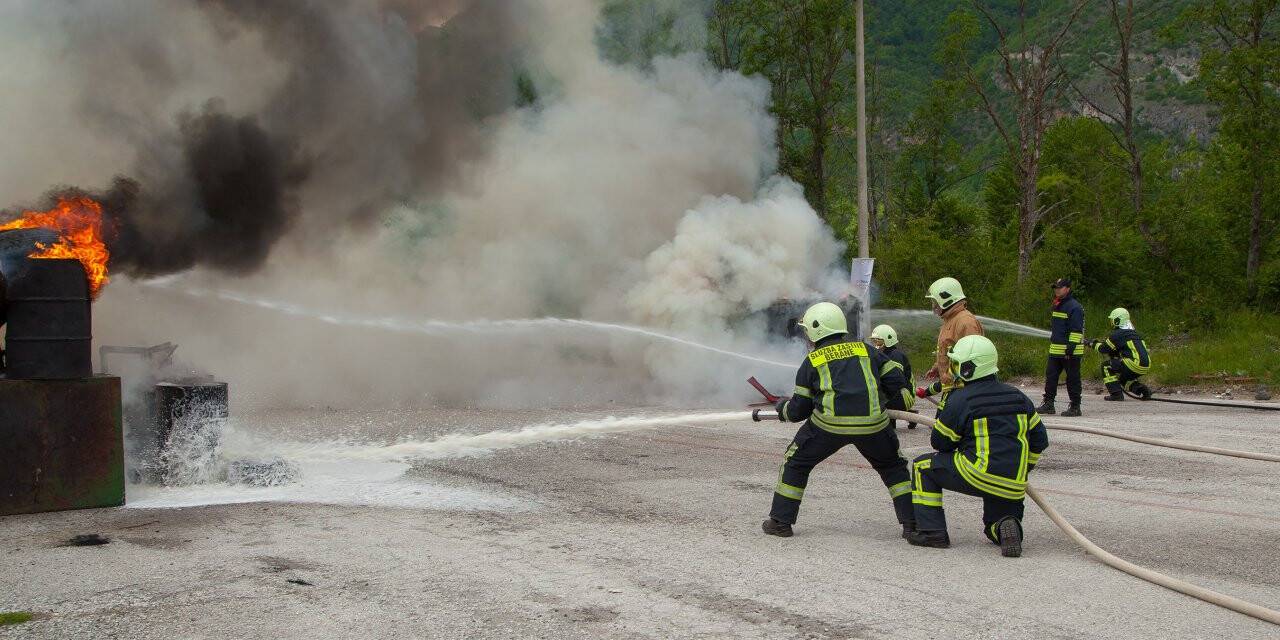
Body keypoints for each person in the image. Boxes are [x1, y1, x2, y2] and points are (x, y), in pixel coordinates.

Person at [764, 302, 915, 538]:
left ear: (817, 330)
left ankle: (780, 522)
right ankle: (912, 524)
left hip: (828, 427)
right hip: (873, 425)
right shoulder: (867, 350)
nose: (806, 337)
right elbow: (897, 384)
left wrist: (782, 408)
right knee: (894, 468)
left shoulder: (813, 361)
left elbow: (798, 411)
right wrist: (884, 400)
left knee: (796, 462)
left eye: (807, 331)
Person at [906, 335, 1048, 557]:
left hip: (977, 472)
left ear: (968, 368)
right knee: (996, 522)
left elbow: (940, 443)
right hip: (1012, 482)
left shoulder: (962, 399)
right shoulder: (1019, 397)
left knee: (922, 466)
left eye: (956, 364)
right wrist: (1024, 469)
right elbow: (1040, 440)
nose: (952, 369)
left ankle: (932, 532)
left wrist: (949, 411)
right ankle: (1005, 527)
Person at [918, 277, 984, 403]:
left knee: (946, 422)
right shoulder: (950, 320)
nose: (933, 306)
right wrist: (937, 367)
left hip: (963, 390)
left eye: (935, 302)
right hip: (952, 388)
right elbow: (948, 350)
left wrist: (948, 378)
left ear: (946, 299)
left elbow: (971, 359)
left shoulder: (965, 322)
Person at [1039, 277, 1084, 417]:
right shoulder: (1058, 304)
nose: (1057, 290)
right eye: (1056, 287)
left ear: (1068, 289)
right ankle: (1048, 404)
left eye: (1060, 287)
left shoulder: (1074, 307)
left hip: (1070, 352)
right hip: (1055, 350)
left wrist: (1070, 348)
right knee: (1051, 377)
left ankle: (1075, 406)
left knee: (1072, 379)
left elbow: (1076, 330)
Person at [1090, 307, 1152, 401]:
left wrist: (1091, 344)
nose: (1111, 322)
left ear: (1117, 320)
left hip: (1133, 364)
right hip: (1145, 365)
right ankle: (1143, 390)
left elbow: (1103, 349)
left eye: (1112, 320)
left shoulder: (1118, 334)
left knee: (1106, 366)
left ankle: (1116, 394)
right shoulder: (1134, 333)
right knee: (1123, 379)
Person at [871, 324, 916, 429]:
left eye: (878, 342)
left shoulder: (895, 355)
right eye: (874, 341)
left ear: (888, 341)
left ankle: (891, 423)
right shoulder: (885, 355)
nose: (875, 345)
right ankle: (905, 417)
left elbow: (896, 382)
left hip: (905, 395)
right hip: (899, 394)